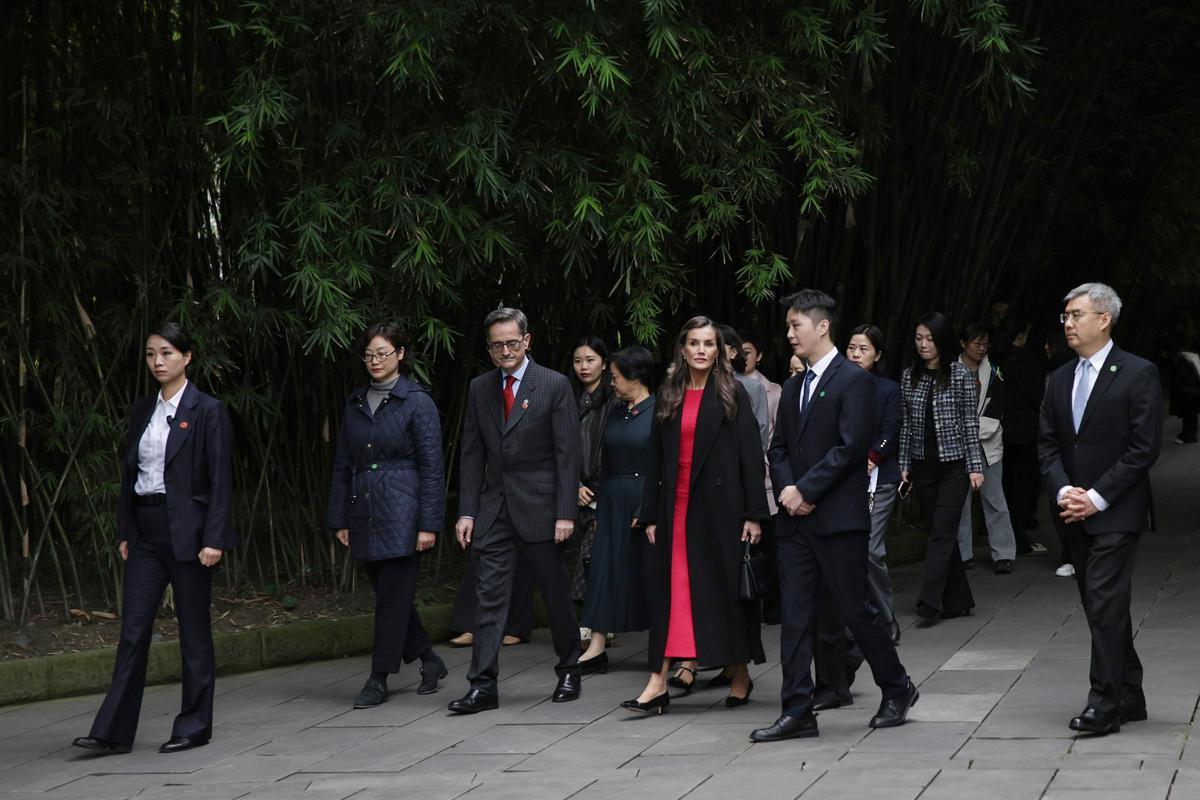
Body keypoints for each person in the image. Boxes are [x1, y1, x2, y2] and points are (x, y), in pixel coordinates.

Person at [750, 292, 916, 743]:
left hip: (838, 518)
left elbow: (850, 448)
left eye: (795, 325)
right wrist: (788, 492)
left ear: (822, 327)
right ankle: (797, 709)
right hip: (796, 522)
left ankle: (897, 687)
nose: (789, 334)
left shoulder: (852, 381)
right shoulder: (796, 385)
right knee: (796, 615)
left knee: (854, 610)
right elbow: (778, 446)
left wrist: (805, 489)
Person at [74, 323, 237, 755]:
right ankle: (113, 731)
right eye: (150, 354)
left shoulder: (207, 409)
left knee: (194, 634)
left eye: (166, 353)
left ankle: (194, 725)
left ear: (187, 357)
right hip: (145, 532)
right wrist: (125, 530)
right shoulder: (142, 408)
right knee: (133, 630)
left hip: (190, 534)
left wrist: (214, 538)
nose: (158, 362)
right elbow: (131, 474)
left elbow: (221, 481)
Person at [622, 317, 767, 715]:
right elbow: (656, 460)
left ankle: (739, 673)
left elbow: (751, 458)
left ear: (719, 350)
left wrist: (754, 514)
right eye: (694, 343)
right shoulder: (669, 394)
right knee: (674, 595)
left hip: (721, 510)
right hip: (675, 510)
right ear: (682, 350)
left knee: (722, 594)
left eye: (709, 343)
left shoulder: (732, 392)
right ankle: (657, 682)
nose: (701, 349)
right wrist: (649, 513)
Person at [1039, 282, 1162, 735]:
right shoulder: (1058, 378)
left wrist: (1096, 497)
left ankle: (1105, 703)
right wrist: (1063, 492)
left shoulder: (1137, 372)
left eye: (1076, 315)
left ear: (1104, 319)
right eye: (1065, 316)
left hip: (1116, 510)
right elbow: (1049, 445)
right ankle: (1131, 693)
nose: (1068, 323)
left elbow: (1144, 447)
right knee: (1101, 607)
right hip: (1071, 511)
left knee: (1104, 604)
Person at [450, 307, 583, 713]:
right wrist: (467, 511)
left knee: (555, 592)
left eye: (512, 342)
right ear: (488, 348)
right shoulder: (479, 388)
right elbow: (472, 455)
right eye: (496, 344)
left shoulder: (554, 384)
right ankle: (483, 685)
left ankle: (569, 669)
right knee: (488, 594)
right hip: (494, 509)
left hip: (542, 507)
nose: (505, 350)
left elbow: (567, 454)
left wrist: (565, 512)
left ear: (527, 341)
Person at [326, 323, 448, 709]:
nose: (375, 361)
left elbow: (432, 466)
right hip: (365, 508)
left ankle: (379, 678)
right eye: (369, 355)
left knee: (390, 601)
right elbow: (343, 461)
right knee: (391, 596)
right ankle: (430, 660)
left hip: (404, 508)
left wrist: (429, 524)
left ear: (400, 354)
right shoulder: (355, 401)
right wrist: (339, 517)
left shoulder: (417, 400)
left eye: (383, 353)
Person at [899, 312, 982, 626]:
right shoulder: (909, 376)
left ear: (942, 340)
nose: (923, 345)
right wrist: (905, 466)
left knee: (941, 532)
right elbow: (907, 425)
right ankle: (959, 599)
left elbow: (969, 424)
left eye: (929, 338)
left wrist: (975, 467)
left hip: (955, 466)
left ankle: (930, 602)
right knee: (942, 533)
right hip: (923, 467)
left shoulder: (960, 374)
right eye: (919, 338)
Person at [578, 346, 656, 672]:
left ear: (635, 376)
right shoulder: (615, 411)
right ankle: (596, 646)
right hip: (612, 499)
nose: (612, 383)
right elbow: (605, 462)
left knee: (649, 572)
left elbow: (661, 465)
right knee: (603, 569)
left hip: (644, 497)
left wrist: (650, 505)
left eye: (616, 376)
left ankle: (669, 648)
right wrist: (601, 499)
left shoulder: (660, 411)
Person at [846, 324, 903, 643]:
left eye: (863, 349)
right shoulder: (836, 385)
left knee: (870, 549)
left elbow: (891, 428)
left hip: (877, 479)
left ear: (878, 355)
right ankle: (855, 617)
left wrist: (870, 459)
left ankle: (885, 616)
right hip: (842, 479)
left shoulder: (887, 389)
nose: (855, 354)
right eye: (851, 348)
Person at [955, 323, 1018, 574]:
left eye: (985, 344)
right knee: (959, 501)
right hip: (956, 446)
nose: (981, 348)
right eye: (976, 343)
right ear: (963, 344)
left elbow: (997, 410)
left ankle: (1004, 553)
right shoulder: (950, 371)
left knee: (995, 499)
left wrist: (967, 429)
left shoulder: (993, 372)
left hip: (987, 444)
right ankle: (962, 553)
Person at [993, 315, 1048, 555]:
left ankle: (1007, 540)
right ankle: (1018, 539)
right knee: (1023, 488)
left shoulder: (996, 360)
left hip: (1001, 432)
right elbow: (1036, 395)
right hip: (1024, 432)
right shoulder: (1025, 362)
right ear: (1020, 337)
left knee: (1006, 487)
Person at [570, 336, 615, 624]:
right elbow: (557, 447)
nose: (583, 367)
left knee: (593, 558)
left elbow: (615, 450)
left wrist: (597, 490)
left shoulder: (615, 400)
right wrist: (573, 484)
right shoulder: (566, 397)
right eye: (577, 361)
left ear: (604, 364)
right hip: (571, 490)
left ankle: (592, 623)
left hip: (604, 491)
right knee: (577, 557)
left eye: (590, 360)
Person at [741, 333, 782, 435]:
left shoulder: (774, 390)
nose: (741, 357)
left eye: (746, 353)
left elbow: (780, 432)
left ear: (758, 356)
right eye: (737, 352)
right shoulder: (724, 385)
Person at [1171, 346, 1199, 444]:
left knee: (1189, 415)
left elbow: (1186, 376)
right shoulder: (1192, 358)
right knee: (1191, 415)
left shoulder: (1185, 361)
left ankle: (1188, 436)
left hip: (1188, 392)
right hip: (1192, 391)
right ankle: (1188, 435)